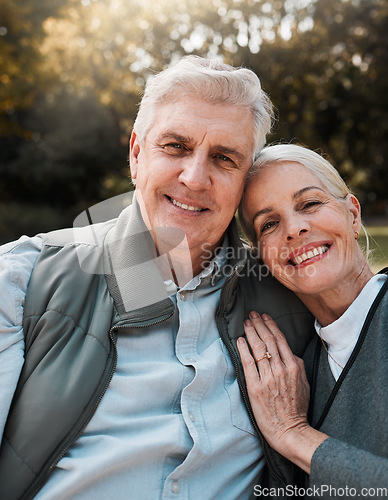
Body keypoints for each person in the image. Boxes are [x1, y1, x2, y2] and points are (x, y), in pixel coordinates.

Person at [0, 58, 314, 499]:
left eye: (224, 158)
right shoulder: (21, 278)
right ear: (135, 153)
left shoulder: (292, 294)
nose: (194, 177)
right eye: (175, 146)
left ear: (245, 181)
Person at [238, 144, 388, 498]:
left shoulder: (285, 416)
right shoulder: (289, 376)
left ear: (353, 215)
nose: (294, 229)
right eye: (269, 224)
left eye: (309, 204)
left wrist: (295, 435)